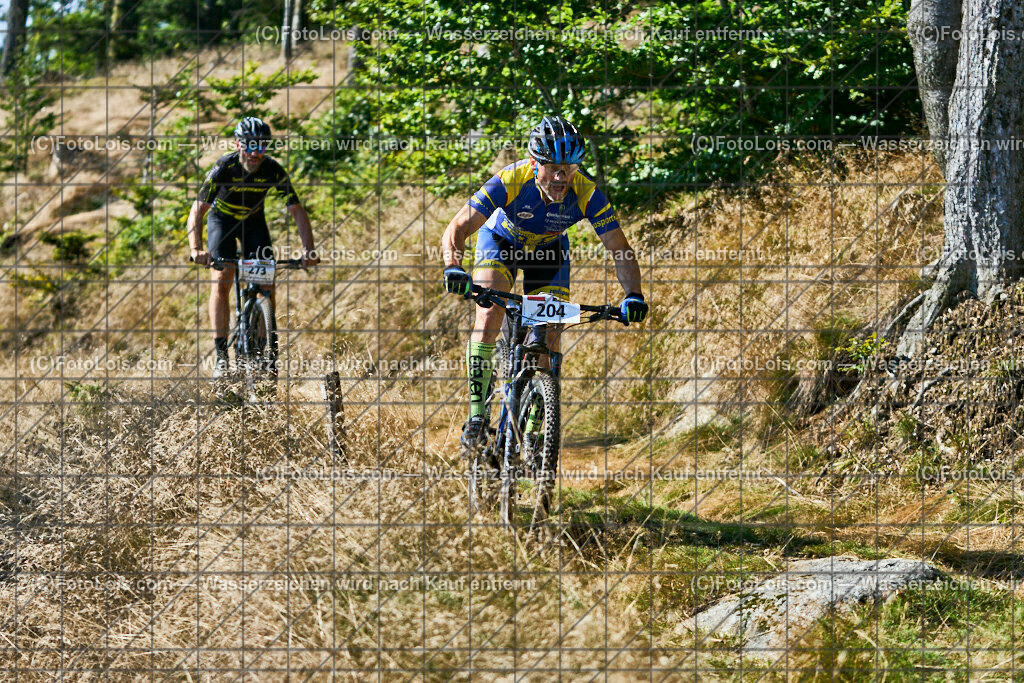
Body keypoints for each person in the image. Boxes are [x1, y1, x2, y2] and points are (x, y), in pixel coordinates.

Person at [440, 115, 648, 449]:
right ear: (536, 163)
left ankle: (535, 429)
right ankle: (477, 417)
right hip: (501, 243)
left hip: (549, 253)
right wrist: (454, 267)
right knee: (489, 314)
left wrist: (633, 294)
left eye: (570, 167)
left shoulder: (586, 193)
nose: (561, 177)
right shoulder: (511, 179)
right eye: (553, 167)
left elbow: (620, 249)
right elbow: (459, 226)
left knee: (550, 332)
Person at [186, 116, 319, 378]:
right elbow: (197, 211)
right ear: (238, 145)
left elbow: (296, 210)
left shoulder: (273, 170)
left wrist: (309, 250)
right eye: (250, 146)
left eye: (262, 146)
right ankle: (222, 356)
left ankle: (260, 347)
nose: (255, 153)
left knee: (267, 283)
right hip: (222, 221)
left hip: (253, 223)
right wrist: (196, 249)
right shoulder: (224, 166)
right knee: (223, 276)